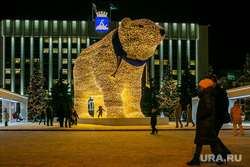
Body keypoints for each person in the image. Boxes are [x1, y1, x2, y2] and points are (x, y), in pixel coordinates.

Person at [187, 79, 224, 166]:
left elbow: (208, 108)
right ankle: (219, 158)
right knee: (210, 141)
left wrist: (200, 116)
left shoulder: (207, 95)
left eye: (201, 86)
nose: (200, 87)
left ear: (205, 86)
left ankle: (196, 159)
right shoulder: (208, 94)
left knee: (202, 141)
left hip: (205, 123)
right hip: (207, 122)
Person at [210, 76, 231, 156]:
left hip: (217, 117)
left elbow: (223, 105)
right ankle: (223, 152)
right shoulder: (218, 91)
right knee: (213, 136)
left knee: (213, 136)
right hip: (217, 117)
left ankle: (221, 153)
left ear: (214, 83)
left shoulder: (219, 92)